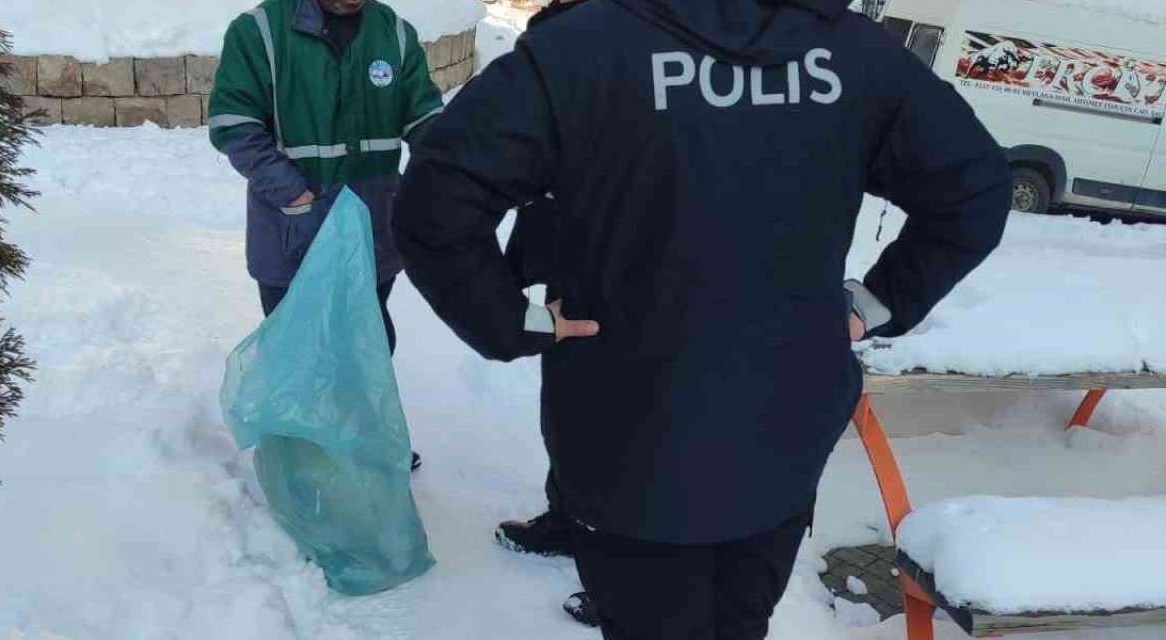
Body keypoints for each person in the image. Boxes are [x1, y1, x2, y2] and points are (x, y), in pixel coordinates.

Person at [394, 0, 1010, 638]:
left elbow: (434, 205)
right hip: (777, 435)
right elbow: (977, 188)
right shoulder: (857, 56)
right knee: (737, 624)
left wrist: (507, 322)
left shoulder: (580, 48)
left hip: (633, 441)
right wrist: (875, 303)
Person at [208, 0, 443, 470]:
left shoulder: (392, 32)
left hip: (372, 233)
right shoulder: (259, 32)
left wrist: (460, 170)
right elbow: (233, 124)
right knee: (298, 352)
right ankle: (303, 461)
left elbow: (426, 119)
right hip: (292, 234)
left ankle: (364, 442)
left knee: (368, 343)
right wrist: (294, 195)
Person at [495, 0, 599, 626]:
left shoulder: (650, 58)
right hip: (570, 262)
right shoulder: (559, 32)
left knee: (625, 428)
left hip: (635, 277)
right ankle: (568, 520)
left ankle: (623, 573)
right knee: (567, 408)